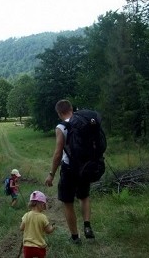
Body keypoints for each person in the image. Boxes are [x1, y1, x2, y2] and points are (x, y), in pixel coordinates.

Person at [44, 99, 95, 244]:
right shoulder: (84, 121)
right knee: (84, 197)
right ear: (71, 109)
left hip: (69, 168)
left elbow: (58, 153)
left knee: (68, 202)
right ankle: (87, 225)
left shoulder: (61, 127)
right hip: (86, 166)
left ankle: (75, 237)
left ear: (59, 113)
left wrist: (51, 174)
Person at [19, 190, 55, 258]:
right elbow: (48, 231)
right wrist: (52, 227)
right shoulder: (43, 217)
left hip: (27, 247)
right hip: (39, 247)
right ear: (41, 204)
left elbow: (21, 228)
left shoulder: (26, 215)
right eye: (44, 205)